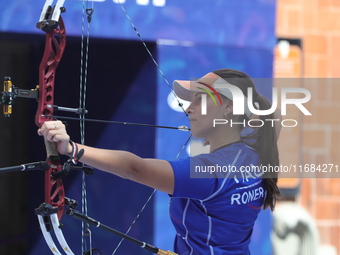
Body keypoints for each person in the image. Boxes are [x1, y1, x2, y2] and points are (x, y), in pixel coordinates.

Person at [38, 68, 281, 255]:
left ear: (228, 106)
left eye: (200, 100)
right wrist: (218, 136)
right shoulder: (253, 154)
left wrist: (70, 148)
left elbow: (135, 168)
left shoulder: (209, 172)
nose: (189, 109)